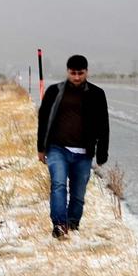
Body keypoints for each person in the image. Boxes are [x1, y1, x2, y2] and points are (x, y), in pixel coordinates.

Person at [36, 54, 110, 239]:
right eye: (73, 73)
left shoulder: (97, 94)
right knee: (59, 185)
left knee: (78, 194)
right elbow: (43, 119)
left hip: (83, 153)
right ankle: (59, 226)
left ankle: (73, 224)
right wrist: (41, 147)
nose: (76, 77)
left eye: (80, 73)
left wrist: (102, 153)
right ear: (67, 72)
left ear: (87, 72)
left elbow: (104, 125)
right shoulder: (54, 91)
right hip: (57, 149)